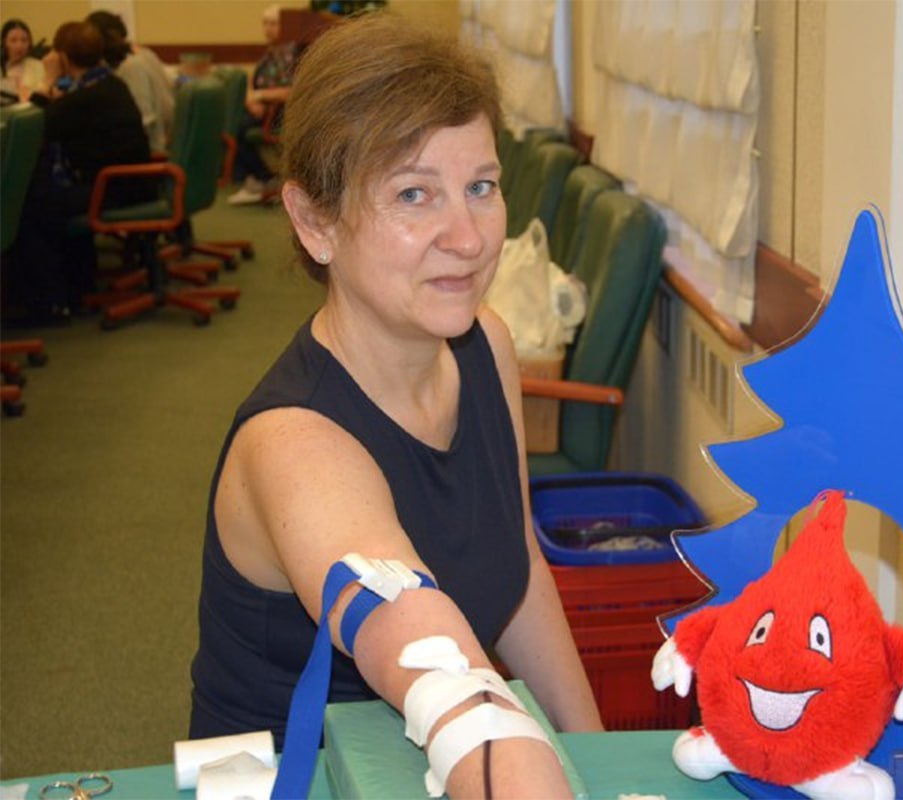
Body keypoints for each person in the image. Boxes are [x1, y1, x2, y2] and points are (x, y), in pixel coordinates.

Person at [188, 11, 603, 798]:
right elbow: (427, 653)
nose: (469, 238)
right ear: (315, 222)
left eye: (481, 187)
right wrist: (512, 757)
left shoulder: (484, 344)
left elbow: (517, 562)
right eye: (414, 194)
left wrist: (598, 756)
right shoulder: (294, 444)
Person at [6, 21, 150, 323]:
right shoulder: (107, 85)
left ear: (63, 57)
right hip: (128, 183)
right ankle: (77, 283)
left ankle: (50, 303)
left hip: (112, 188)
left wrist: (47, 79)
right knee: (43, 192)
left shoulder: (85, 98)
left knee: (26, 207)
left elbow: (36, 124)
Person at [226, 4, 296, 205]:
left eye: (273, 24)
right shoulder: (272, 52)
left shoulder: (291, 53)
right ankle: (255, 178)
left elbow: (292, 90)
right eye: (265, 23)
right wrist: (251, 99)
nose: (268, 29)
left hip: (281, 113)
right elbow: (253, 80)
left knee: (239, 128)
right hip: (263, 110)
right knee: (232, 123)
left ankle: (262, 178)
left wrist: (259, 96)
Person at [86, 10, 175, 153]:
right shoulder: (146, 55)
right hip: (163, 144)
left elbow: (143, 121)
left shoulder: (132, 68)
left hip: (153, 151)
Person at [1, 19, 44, 103]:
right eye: (13, 40)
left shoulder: (38, 66)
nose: (19, 45)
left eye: (24, 40)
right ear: (4, 42)